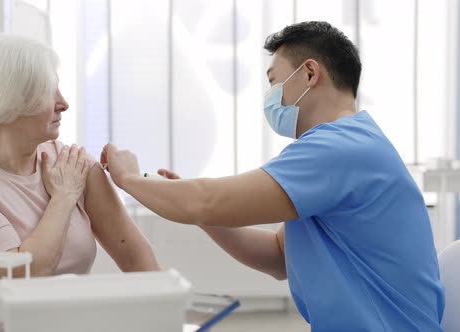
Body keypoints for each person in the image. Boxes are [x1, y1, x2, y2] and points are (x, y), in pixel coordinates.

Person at [100, 21, 444, 331]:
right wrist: (204, 217)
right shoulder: (354, 142)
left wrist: (129, 179)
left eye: (274, 82)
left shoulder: (339, 148)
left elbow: (207, 200)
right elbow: (278, 256)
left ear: (310, 74)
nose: (270, 97)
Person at [0, 33, 159, 331]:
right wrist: (64, 198)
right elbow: (31, 276)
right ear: (9, 100)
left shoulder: (74, 164)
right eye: (48, 93)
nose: (63, 104)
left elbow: (137, 261)